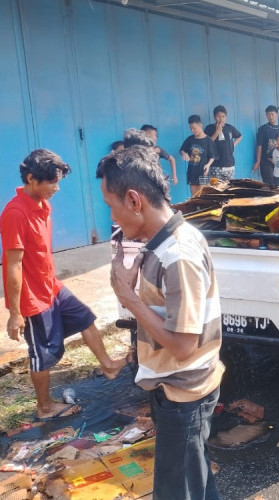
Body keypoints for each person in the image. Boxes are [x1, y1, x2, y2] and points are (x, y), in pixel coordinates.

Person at [98, 145, 224, 500]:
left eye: (112, 205)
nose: (112, 216)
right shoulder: (160, 243)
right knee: (194, 481)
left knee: (176, 491)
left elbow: (184, 346)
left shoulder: (177, 253)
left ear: (134, 200)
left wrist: (130, 298)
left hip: (185, 392)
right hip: (177, 389)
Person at [0, 149, 127, 421]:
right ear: (32, 179)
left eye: (58, 182)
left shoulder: (42, 204)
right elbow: (13, 264)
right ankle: (44, 407)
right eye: (52, 182)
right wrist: (14, 312)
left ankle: (108, 365)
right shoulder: (15, 213)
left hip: (52, 285)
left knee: (85, 317)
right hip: (32, 296)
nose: (56, 188)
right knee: (42, 354)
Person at [179, 114, 216, 197]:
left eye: (194, 128)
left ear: (200, 125)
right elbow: (182, 150)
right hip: (192, 172)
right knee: (194, 197)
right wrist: (184, 154)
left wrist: (208, 164)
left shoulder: (208, 140)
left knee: (202, 196)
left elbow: (212, 156)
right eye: (191, 129)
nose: (193, 131)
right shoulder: (190, 139)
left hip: (203, 172)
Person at [253, 105, 279, 185]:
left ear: (277, 115)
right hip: (266, 162)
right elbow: (259, 146)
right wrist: (258, 161)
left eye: (272, 114)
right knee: (270, 185)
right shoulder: (262, 129)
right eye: (268, 114)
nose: (270, 116)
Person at [204, 105, 242, 182]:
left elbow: (239, 136)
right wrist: (217, 132)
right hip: (215, 165)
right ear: (214, 117)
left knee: (229, 188)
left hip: (229, 165)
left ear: (226, 117)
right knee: (216, 189)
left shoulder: (230, 128)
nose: (221, 119)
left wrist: (233, 146)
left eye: (223, 116)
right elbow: (207, 144)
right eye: (218, 116)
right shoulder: (209, 128)